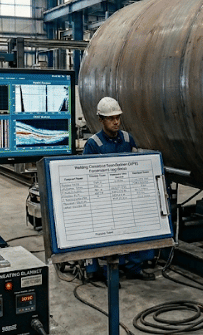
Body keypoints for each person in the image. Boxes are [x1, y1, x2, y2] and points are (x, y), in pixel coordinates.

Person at [84, 97, 155, 281]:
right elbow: (88, 176)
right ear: (101, 120)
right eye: (110, 118)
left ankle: (134, 267)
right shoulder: (93, 144)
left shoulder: (126, 138)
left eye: (117, 117)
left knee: (135, 228)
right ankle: (109, 273)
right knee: (108, 234)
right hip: (105, 201)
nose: (115, 121)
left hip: (126, 197)